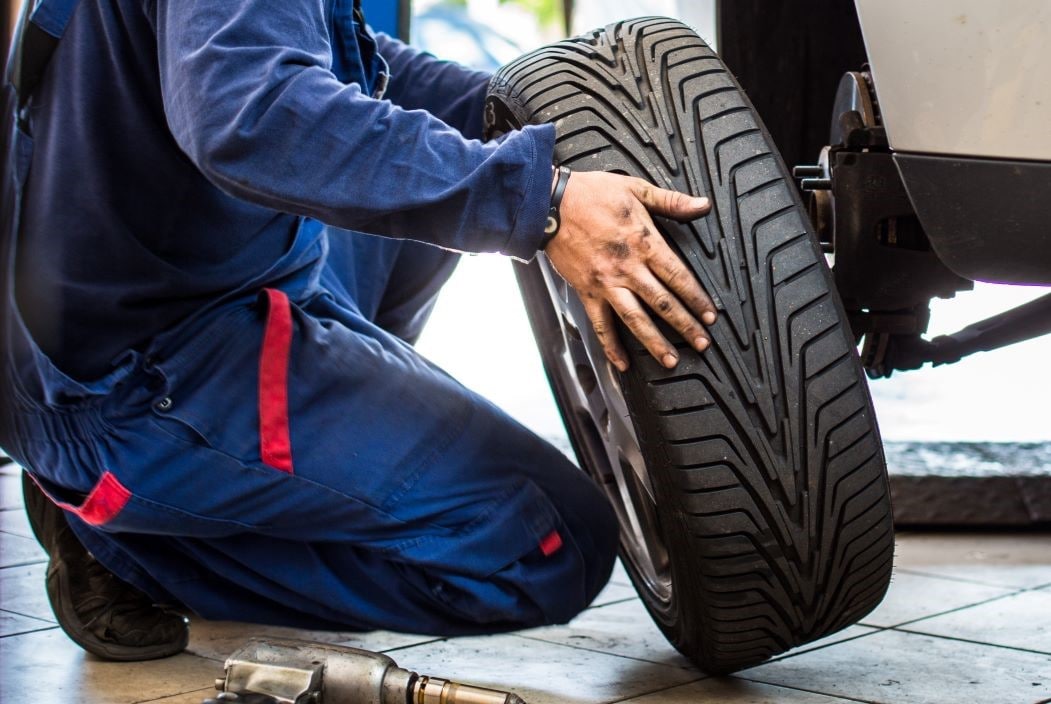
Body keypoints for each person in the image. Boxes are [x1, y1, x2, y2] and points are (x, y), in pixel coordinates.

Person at [0, 0, 716, 661]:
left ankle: (284, 476)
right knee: (554, 543)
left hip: (179, 282)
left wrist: (524, 115)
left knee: (417, 194)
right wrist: (543, 202)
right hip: (135, 373)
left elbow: (343, 62)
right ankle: (124, 536)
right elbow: (252, 115)